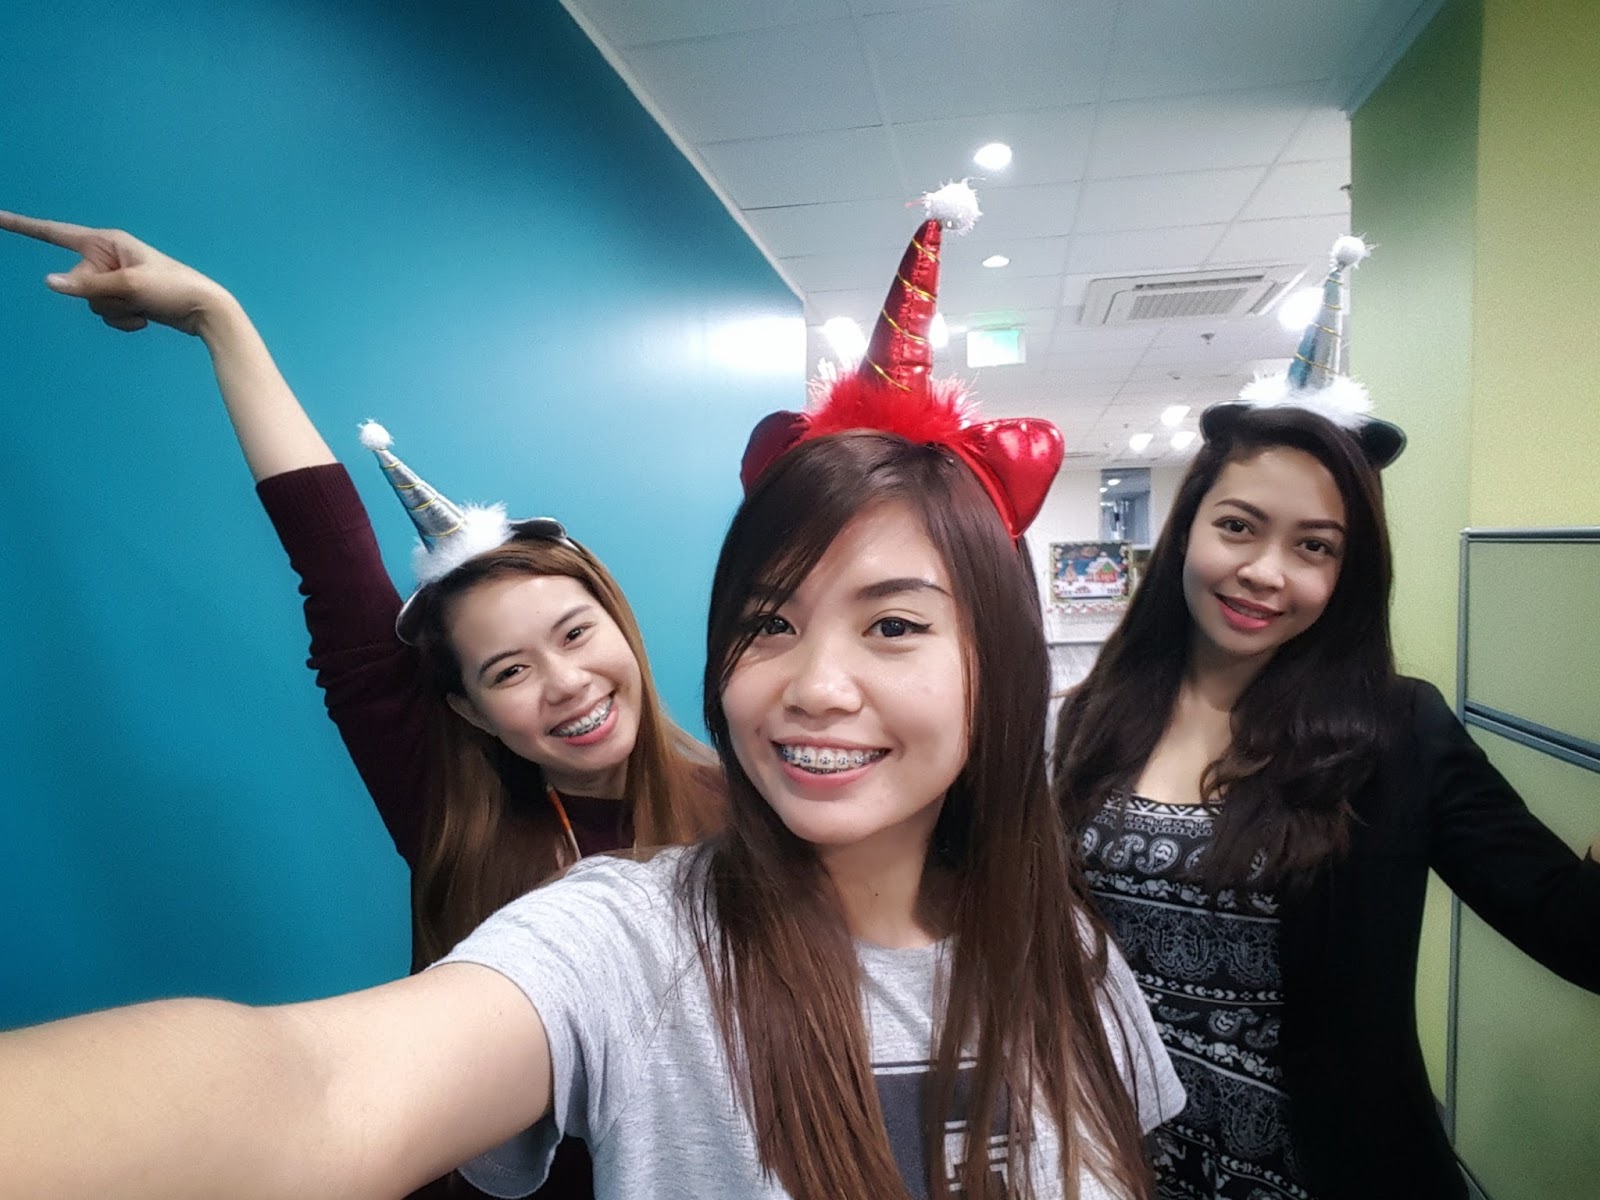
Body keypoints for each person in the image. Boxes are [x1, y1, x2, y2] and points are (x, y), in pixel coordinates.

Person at [0, 185, 1187, 1199]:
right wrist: (223, 323)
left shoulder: (1036, 939)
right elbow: (306, 1094)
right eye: (772, 623)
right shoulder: (604, 915)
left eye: (892, 625)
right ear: (466, 709)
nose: (820, 688)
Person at [0, 209, 724, 1199]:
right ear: (468, 710)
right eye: (508, 672)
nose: (565, 683)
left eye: (574, 633)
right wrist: (217, 317)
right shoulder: (450, 806)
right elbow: (333, 563)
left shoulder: (753, 814)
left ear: (621, 625)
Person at [1050, 240, 1600, 1200]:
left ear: (1348, 573)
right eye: (1238, 526)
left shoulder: (1394, 732)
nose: (1265, 572)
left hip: (1326, 1175)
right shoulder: (1096, 716)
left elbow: (1575, 930)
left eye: (1314, 547)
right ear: (1188, 529)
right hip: (1118, 1164)